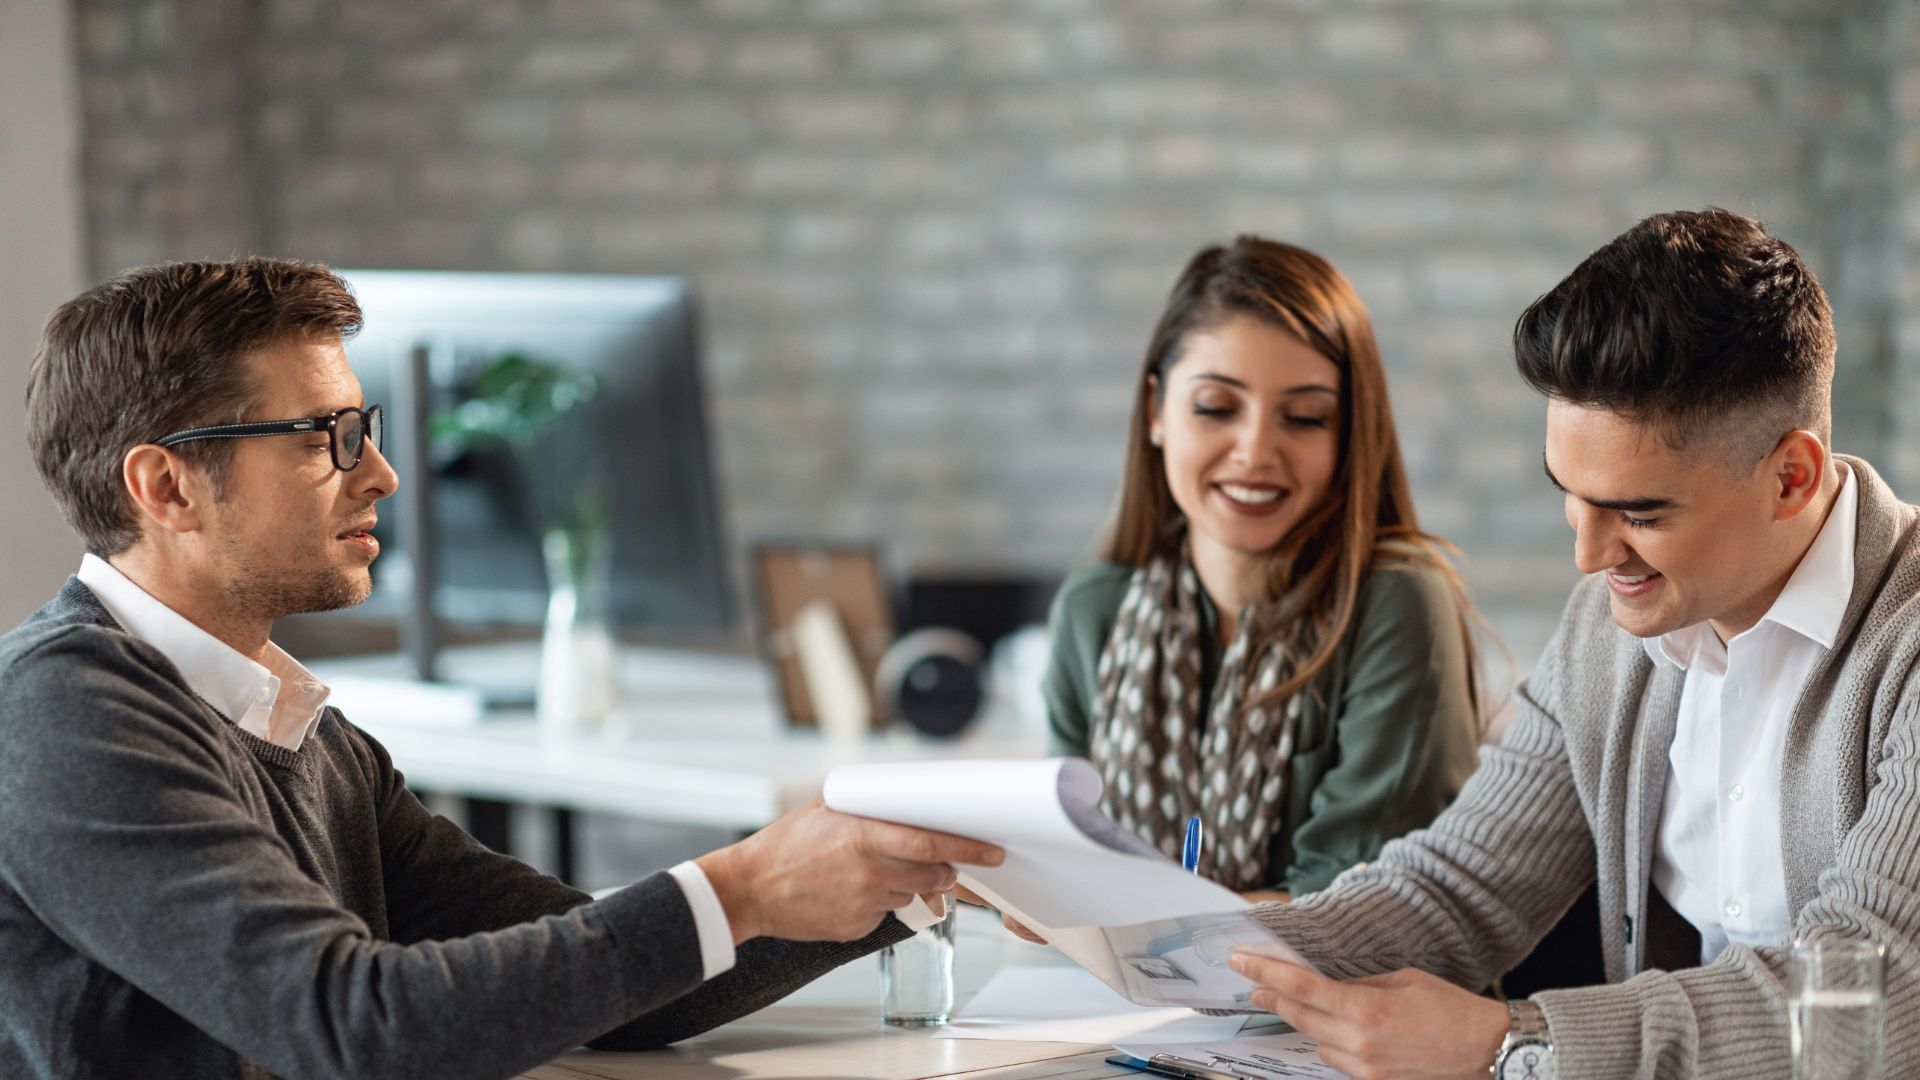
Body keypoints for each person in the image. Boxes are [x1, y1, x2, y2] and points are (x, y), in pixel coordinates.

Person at [0, 258, 1003, 1080]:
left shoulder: (303, 733)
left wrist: (904, 873)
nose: (382, 473)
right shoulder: (61, 714)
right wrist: (738, 885)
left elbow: (612, 988)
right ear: (166, 486)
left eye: (365, 428)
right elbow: (353, 1026)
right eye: (326, 438)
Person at [1223, 208, 1920, 1079]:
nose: (1589, 557)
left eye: (1639, 513)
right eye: (1572, 495)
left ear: (1791, 477)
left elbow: (1872, 987)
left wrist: (1511, 1042)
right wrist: (1182, 942)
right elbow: (1461, 885)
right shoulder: (1611, 625)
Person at [1041, 235, 1484, 902]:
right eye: (1216, 408)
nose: (1254, 451)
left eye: (1305, 417)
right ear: (1156, 411)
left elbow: (1359, 900)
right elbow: (1070, 857)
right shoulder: (1092, 609)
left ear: (1348, 434)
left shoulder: (1397, 602)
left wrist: (1134, 921)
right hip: (1123, 971)